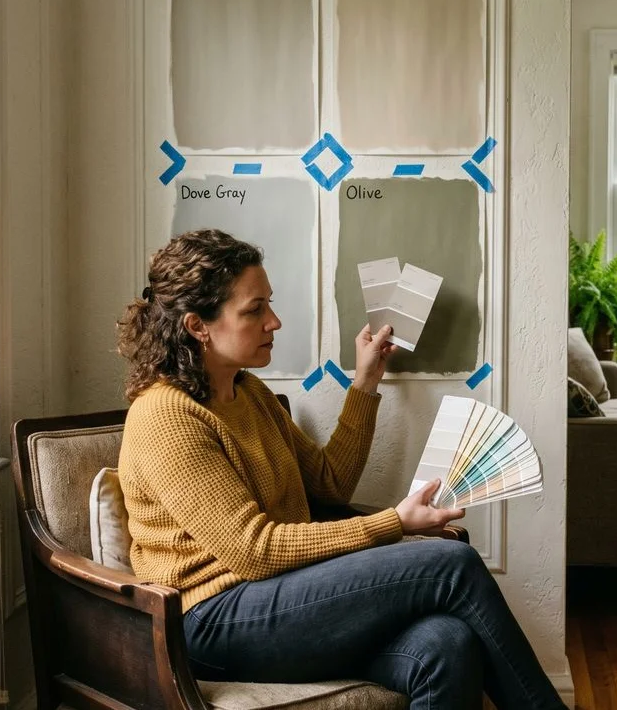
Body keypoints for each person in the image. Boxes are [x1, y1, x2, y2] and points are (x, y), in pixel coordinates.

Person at [114, 229, 565, 710]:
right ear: (197, 326)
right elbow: (254, 551)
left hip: (281, 601)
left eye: (270, 304)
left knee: (445, 644)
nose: (274, 321)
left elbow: (330, 483)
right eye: (255, 309)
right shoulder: (165, 415)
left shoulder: (251, 395)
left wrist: (366, 382)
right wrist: (393, 523)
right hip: (211, 622)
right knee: (451, 564)